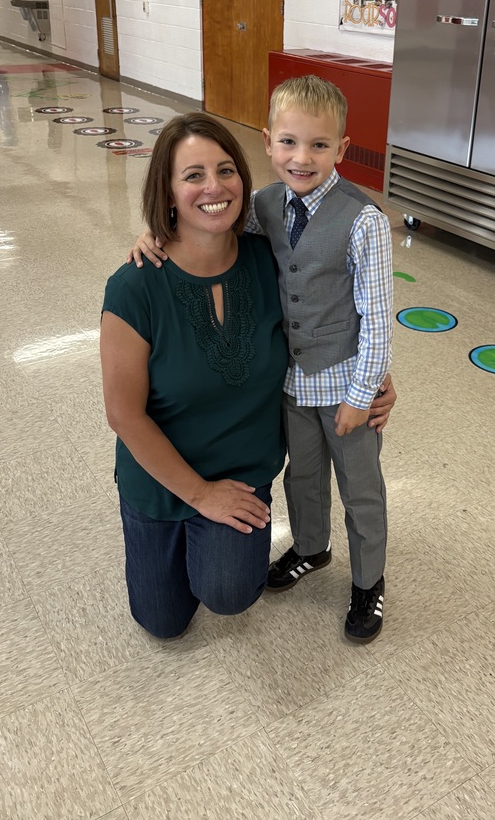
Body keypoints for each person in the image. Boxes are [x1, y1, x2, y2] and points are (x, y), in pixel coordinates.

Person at [131, 77, 394, 643]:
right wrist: (152, 232)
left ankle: (369, 583)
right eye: (289, 143)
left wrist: (361, 391)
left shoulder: (364, 221)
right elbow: (207, 226)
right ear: (269, 143)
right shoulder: (262, 206)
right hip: (292, 385)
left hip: (346, 383)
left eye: (320, 146)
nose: (302, 158)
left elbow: (376, 320)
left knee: (361, 488)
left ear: (342, 150)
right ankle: (310, 547)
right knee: (302, 477)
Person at [101, 112, 289, 638]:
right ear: (167, 189)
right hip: (160, 479)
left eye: (226, 170)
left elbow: (333, 316)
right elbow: (123, 413)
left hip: (240, 470)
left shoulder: (269, 259)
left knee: (228, 594)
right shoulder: (134, 287)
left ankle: (220, 543)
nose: (214, 187)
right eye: (193, 175)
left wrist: (373, 376)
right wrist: (199, 495)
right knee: (162, 623)